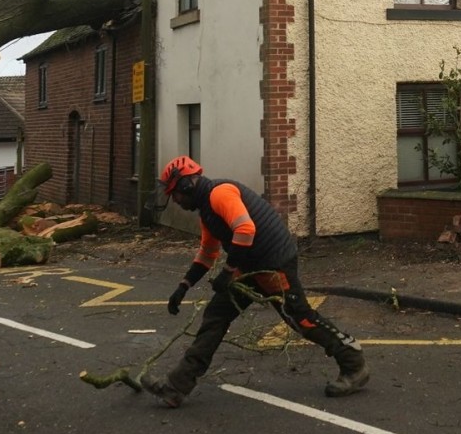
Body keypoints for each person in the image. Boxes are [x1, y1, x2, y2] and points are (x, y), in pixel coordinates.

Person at [139, 157, 369, 407]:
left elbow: (245, 229)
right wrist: (184, 285)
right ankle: (176, 387)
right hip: (250, 266)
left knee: (300, 318)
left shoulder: (220, 194)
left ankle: (353, 364)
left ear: (186, 185)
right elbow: (207, 253)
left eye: (175, 194)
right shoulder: (207, 211)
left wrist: (228, 271)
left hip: (273, 264)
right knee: (216, 314)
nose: (175, 201)